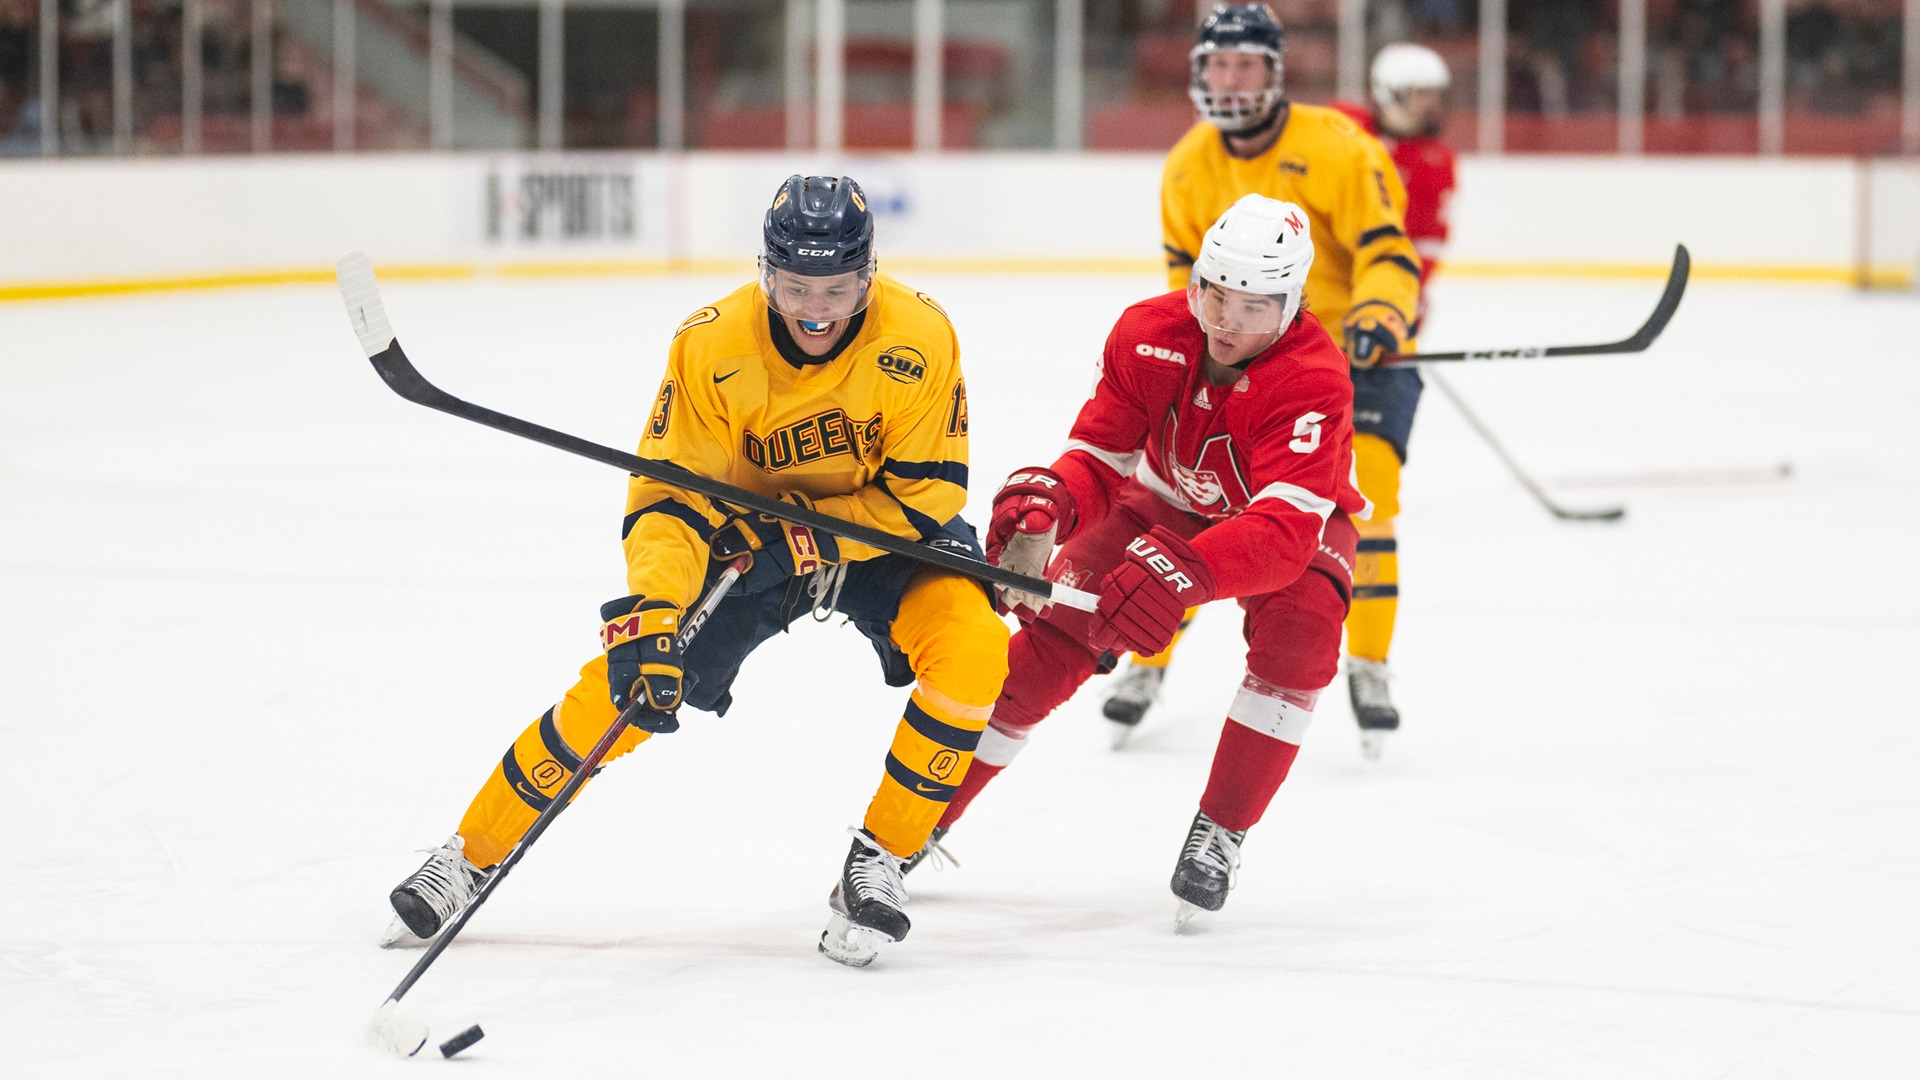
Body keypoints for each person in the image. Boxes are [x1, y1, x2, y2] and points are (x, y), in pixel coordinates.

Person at [379, 175, 1008, 970]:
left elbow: (928, 494)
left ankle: (882, 859)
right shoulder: (711, 347)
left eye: (838, 289)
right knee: (628, 685)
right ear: (764, 272)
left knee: (977, 649)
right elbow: (670, 504)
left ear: (868, 276)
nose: (816, 311)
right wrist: (657, 609)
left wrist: (812, 543)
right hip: (747, 550)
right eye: (794, 286)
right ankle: (469, 856)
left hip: (880, 538)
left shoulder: (919, 338)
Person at [912, 194, 1366, 922]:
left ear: (1291, 303)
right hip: (1162, 497)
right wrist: (1053, 504)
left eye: (1253, 306)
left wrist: (1186, 571)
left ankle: (1222, 828)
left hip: (1292, 521)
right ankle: (919, 817)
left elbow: (1282, 530)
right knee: (1051, 642)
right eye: (1215, 294)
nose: (1226, 319)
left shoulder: (1315, 376)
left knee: (1303, 635)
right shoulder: (1148, 332)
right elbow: (1100, 454)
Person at [1103, 3, 1424, 761]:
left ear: (1276, 72)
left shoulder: (1341, 148)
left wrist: (1378, 313)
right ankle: (1149, 660)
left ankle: (1369, 661)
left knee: (1366, 499)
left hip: (1350, 359)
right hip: (1241, 364)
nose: (1230, 79)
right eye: (1217, 65)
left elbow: (1388, 248)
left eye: (1245, 64)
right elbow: (1188, 287)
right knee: (1187, 502)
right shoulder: (1187, 165)